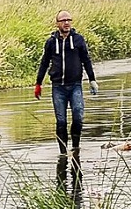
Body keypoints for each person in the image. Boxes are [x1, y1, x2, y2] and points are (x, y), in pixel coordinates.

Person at [33, 10, 97, 158]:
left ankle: (75, 148)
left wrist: (92, 79)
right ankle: (63, 153)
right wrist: (38, 84)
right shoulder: (50, 42)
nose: (66, 22)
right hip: (58, 87)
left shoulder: (78, 40)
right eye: (63, 20)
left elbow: (86, 60)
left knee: (78, 116)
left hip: (75, 85)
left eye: (69, 20)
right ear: (57, 24)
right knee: (61, 121)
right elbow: (44, 63)